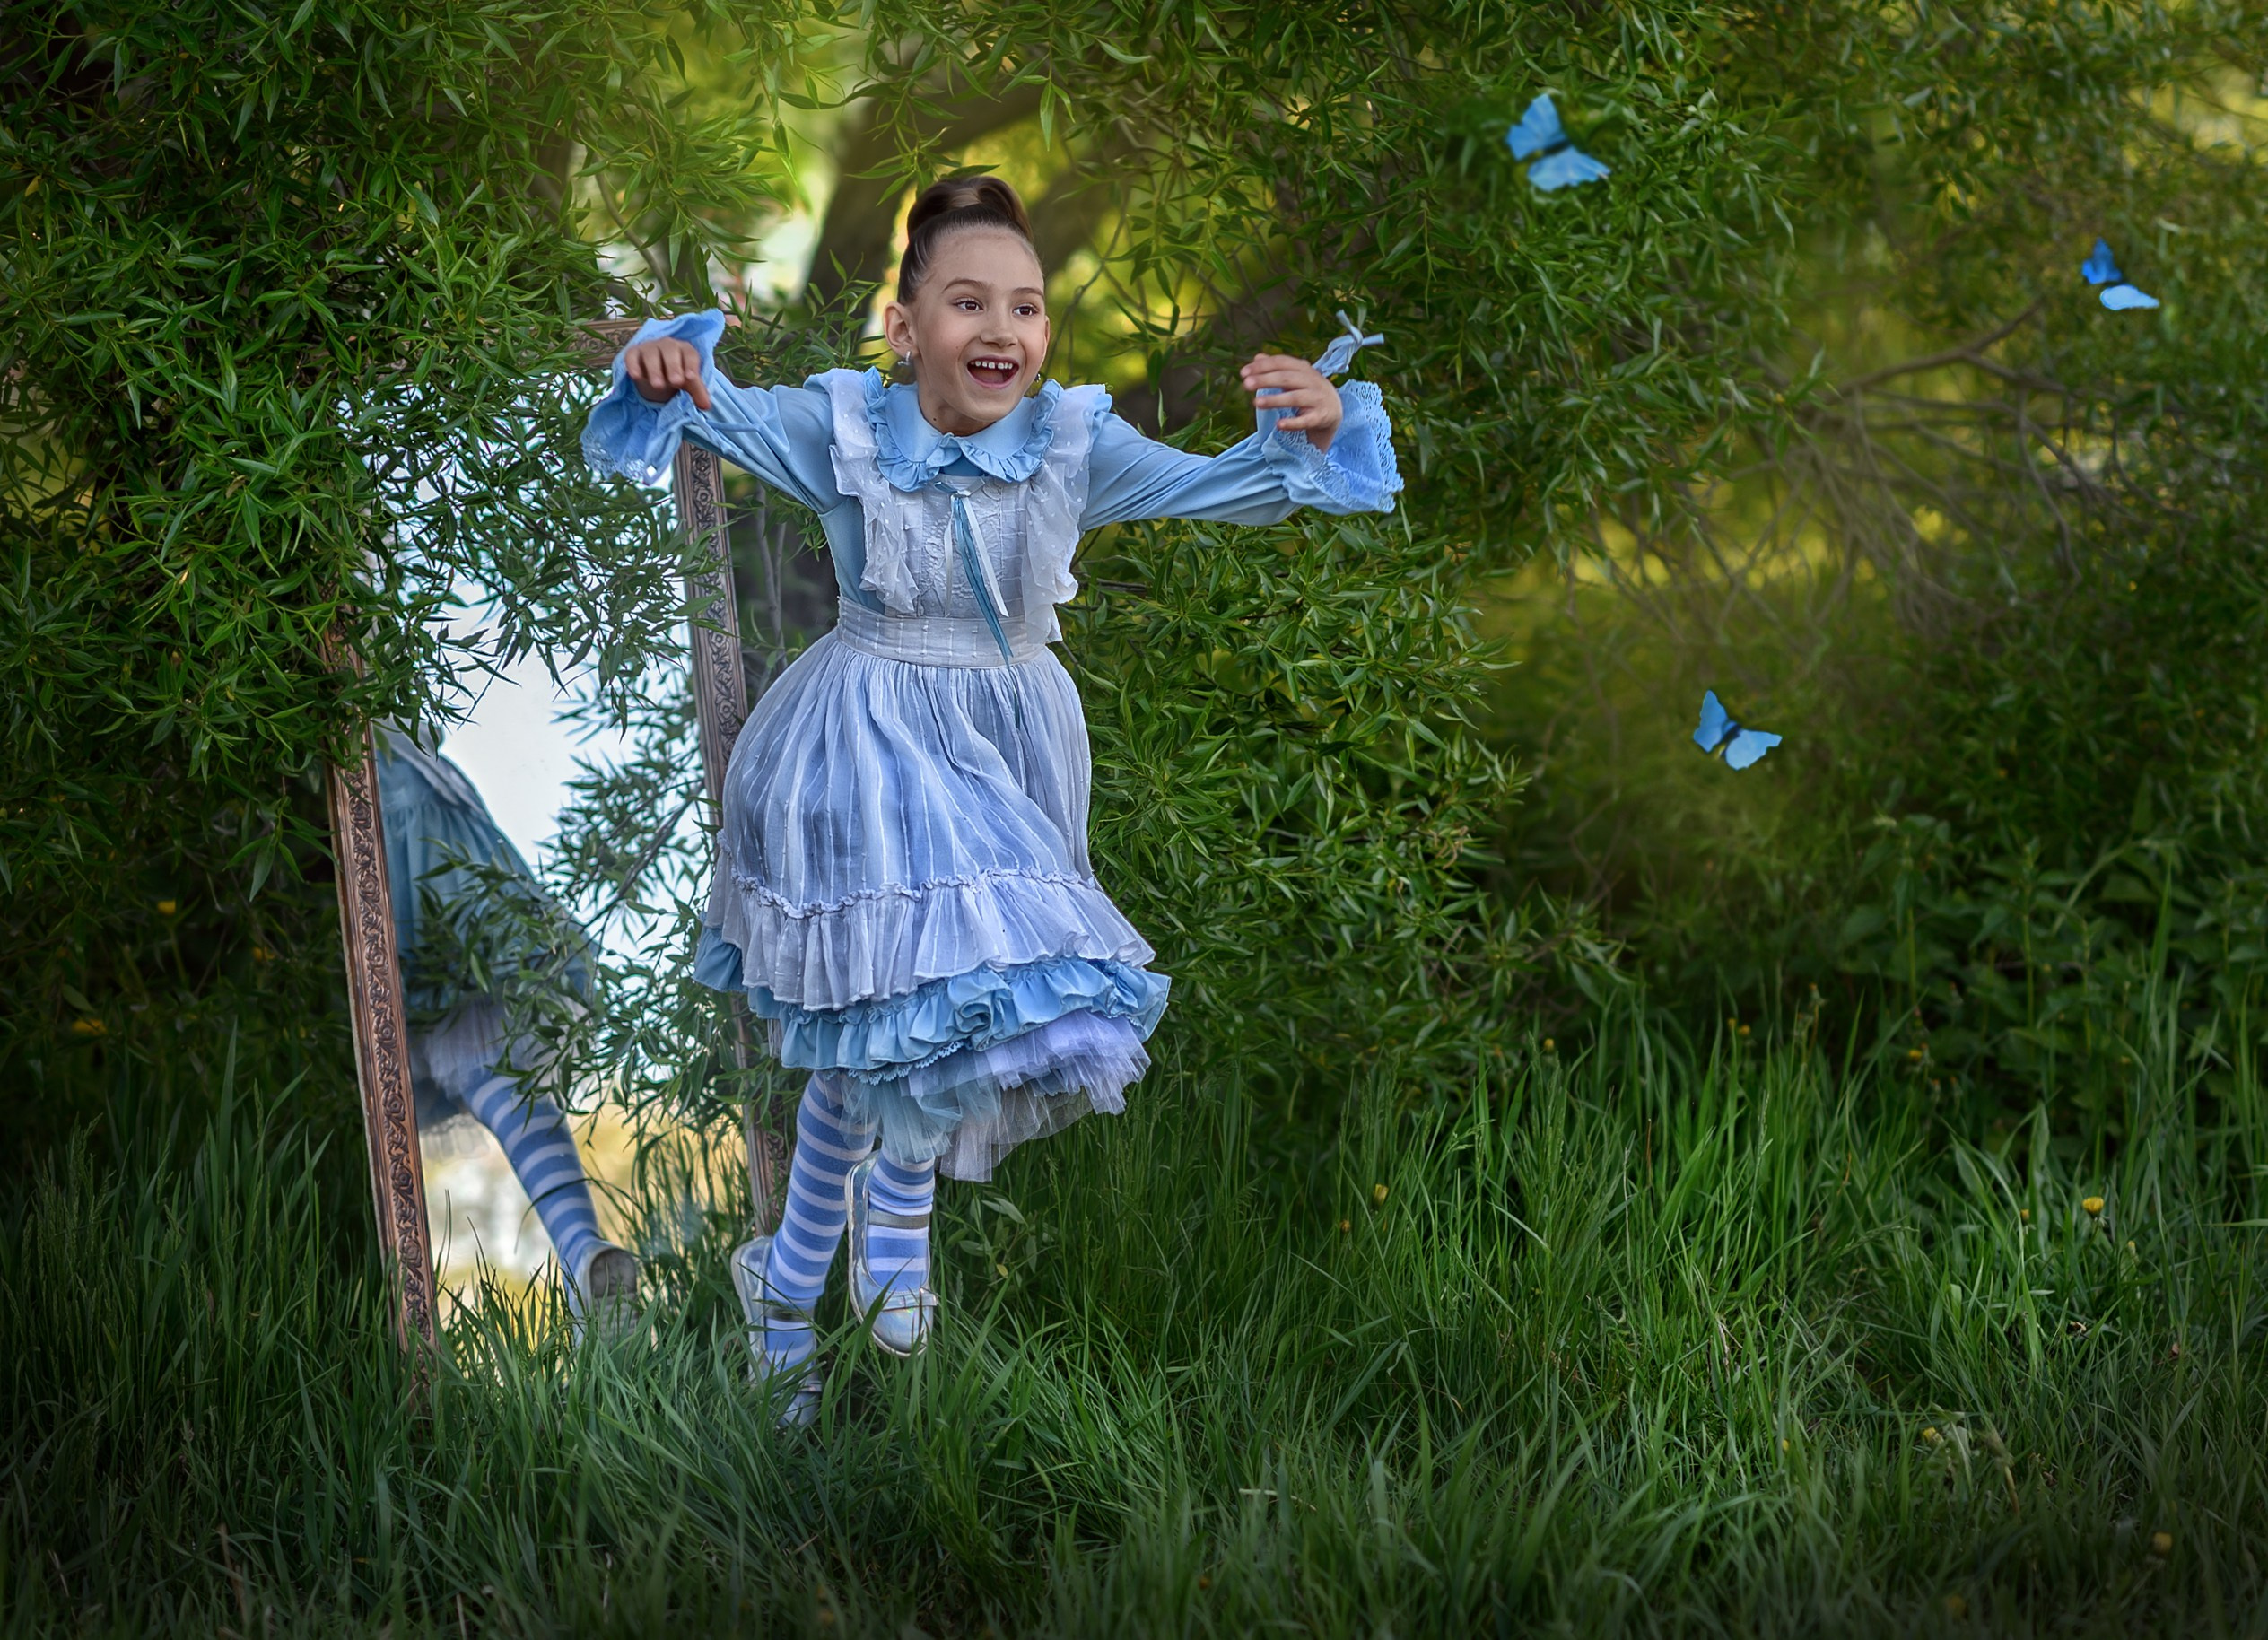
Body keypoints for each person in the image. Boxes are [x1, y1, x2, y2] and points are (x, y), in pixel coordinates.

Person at [582, 175, 1400, 1423]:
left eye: (1023, 306)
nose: (1000, 328)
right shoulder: (848, 427)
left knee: (910, 1019)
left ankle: (782, 1285)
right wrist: (663, 373)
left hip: (1011, 740)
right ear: (907, 329)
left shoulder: (1073, 446)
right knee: (922, 987)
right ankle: (891, 1223)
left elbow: (1224, 488)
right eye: (967, 302)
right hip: (863, 733)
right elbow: (721, 418)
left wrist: (1324, 430)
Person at [373, 727, 639, 1335]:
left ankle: (391, 1335)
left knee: (411, 1049)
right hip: (442, 821)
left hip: (379, 812)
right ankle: (582, 1250)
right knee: (489, 1056)